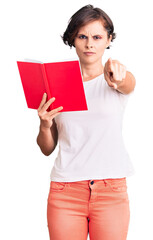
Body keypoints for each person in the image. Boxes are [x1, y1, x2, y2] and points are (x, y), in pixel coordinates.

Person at [36, 4, 136, 240]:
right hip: (65, 192)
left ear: (108, 39)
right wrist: (44, 124)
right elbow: (47, 149)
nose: (90, 44)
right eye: (82, 36)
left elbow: (127, 83)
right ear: (73, 39)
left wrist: (118, 75)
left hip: (111, 190)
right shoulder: (56, 84)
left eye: (97, 37)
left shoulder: (115, 77)